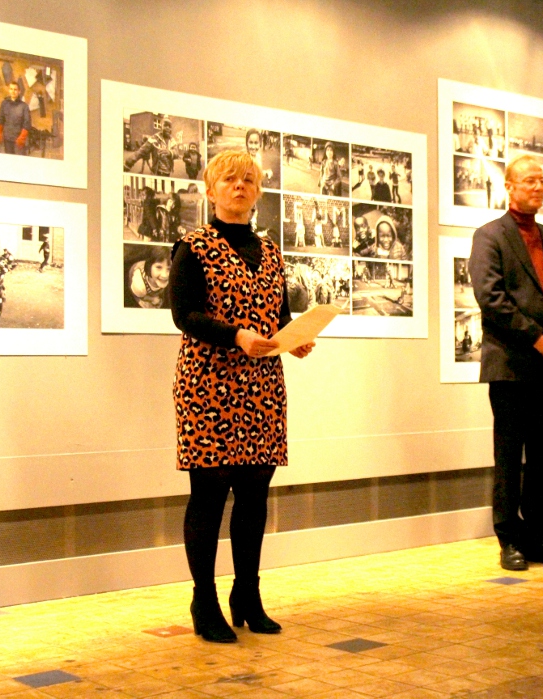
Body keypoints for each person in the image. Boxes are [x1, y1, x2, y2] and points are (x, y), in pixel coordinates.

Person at [168, 149, 315, 644]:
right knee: (208, 496)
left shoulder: (271, 252)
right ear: (210, 190)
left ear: (257, 191)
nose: (239, 186)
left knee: (254, 496)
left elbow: (279, 314)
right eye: (229, 179)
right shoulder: (193, 246)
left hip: (261, 385)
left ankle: (246, 595)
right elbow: (185, 315)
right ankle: (203, 599)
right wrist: (238, 336)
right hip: (208, 384)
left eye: (248, 180)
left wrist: (293, 338)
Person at [469, 155, 543, 571]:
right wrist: (537, 339)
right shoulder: (489, 236)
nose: (538, 187)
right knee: (509, 456)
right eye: (529, 181)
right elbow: (491, 299)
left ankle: (537, 536)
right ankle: (509, 539)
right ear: (510, 187)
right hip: (512, 364)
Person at [0, 81, 31, 155]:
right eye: (11, 89)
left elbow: (27, 124)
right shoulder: (4, 103)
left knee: (19, 163)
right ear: (9, 90)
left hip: (18, 141)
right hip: (7, 138)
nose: (13, 91)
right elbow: (0, 119)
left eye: (15, 89)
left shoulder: (24, 106)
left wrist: (22, 138)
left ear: (19, 91)